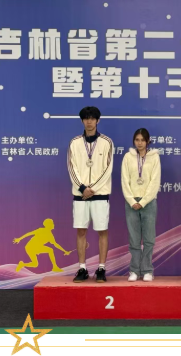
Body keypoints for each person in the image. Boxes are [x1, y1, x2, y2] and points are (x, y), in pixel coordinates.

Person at [67, 106, 114, 283]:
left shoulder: (107, 142)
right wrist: (82, 188)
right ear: (82, 121)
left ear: (98, 120)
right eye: (86, 118)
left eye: (92, 118)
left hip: (100, 194)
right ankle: (82, 268)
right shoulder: (74, 143)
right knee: (81, 231)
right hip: (80, 195)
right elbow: (71, 168)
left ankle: (101, 268)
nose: (89, 121)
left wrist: (92, 188)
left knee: (102, 231)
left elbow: (108, 169)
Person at [121, 128, 161, 282]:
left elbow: (155, 182)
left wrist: (143, 201)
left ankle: (147, 270)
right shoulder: (128, 157)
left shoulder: (154, 157)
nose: (139, 143)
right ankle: (134, 270)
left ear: (147, 141)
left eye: (142, 140)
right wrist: (132, 201)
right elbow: (125, 180)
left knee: (149, 239)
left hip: (149, 202)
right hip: (131, 202)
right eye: (137, 140)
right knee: (134, 239)